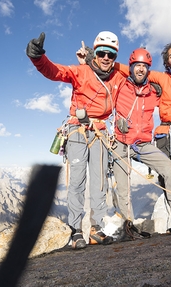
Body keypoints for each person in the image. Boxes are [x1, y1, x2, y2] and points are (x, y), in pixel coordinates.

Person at [26, 31, 126, 249]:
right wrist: (37, 57)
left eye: (111, 54)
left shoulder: (118, 76)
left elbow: (137, 72)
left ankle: (97, 228)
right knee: (77, 182)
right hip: (78, 131)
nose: (106, 58)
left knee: (99, 183)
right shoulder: (81, 71)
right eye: (102, 53)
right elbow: (54, 71)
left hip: (99, 131)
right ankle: (75, 230)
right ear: (96, 53)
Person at [112, 48, 171, 234]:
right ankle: (127, 228)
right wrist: (89, 60)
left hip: (143, 145)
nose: (140, 70)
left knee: (169, 168)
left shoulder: (153, 91)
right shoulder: (119, 85)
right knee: (122, 186)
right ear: (130, 68)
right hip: (121, 143)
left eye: (144, 67)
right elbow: (106, 74)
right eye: (137, 66)